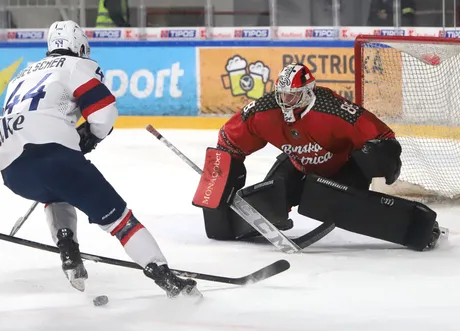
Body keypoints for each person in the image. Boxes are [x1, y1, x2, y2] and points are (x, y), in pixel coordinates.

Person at [0, 20, 201, 299]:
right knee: (119, 220)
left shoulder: (20, 76)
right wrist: (92, 136)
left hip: (11, 170)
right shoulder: (76, 66)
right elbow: (103, 113)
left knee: (55, 194)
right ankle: (164, 277)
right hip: (55, 158)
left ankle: (66, 245)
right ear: (79, 46)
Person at [192, 63, 443, 251]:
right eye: (282, 94)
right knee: (269, 197)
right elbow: (228, 143)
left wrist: (382, 160)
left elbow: (382, 137)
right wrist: (219, 182)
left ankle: (417, 225)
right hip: (297, 166)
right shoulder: (264, 110)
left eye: (293, 95)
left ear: (309, 91)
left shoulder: (333, 109)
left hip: (343, 170)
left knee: (324, 200)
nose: (286, 101)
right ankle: (242, 223)